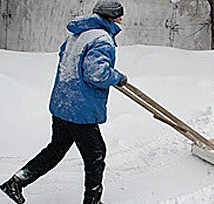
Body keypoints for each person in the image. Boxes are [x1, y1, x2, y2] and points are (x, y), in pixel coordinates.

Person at [0, 0, 127, 204]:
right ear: (111, 17)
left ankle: (16, 182)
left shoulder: (78, 34)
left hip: (63, 103)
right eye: (119, 15)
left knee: (56, 149)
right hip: (80, 109)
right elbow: (97, 73)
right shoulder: (102, 38)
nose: (121, 19)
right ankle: (92, 201)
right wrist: (117, 77)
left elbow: (64, 59)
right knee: (95, 155)